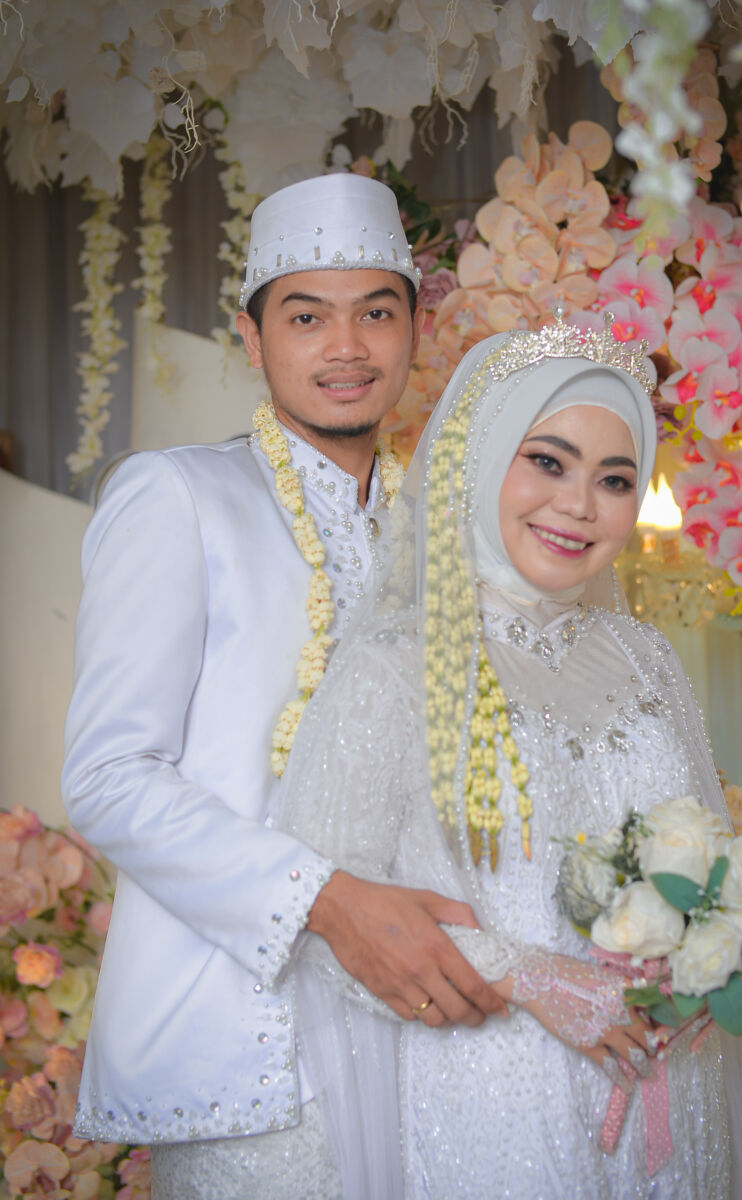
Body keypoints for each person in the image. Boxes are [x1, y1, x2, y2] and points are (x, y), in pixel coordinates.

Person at [274, 321, 742, 1198]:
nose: (579, 505)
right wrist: (528, 976)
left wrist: (704, 960)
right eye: (548, 462)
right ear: (480, 461)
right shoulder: (394, 665)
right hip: (494, 1093)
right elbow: (328, 921)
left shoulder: (644, 658)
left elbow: (700, 862)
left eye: (615, 479)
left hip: (668, 1086)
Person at [61, 173, 506, 1197]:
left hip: (425, 1037)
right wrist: (330, 904)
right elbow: (109, 777)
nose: (346, 347)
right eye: (306, 317)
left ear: (414, 330)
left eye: (375, 313)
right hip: (244, 1044)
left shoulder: (444, 536)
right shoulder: (177, 495)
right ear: (251, 338)